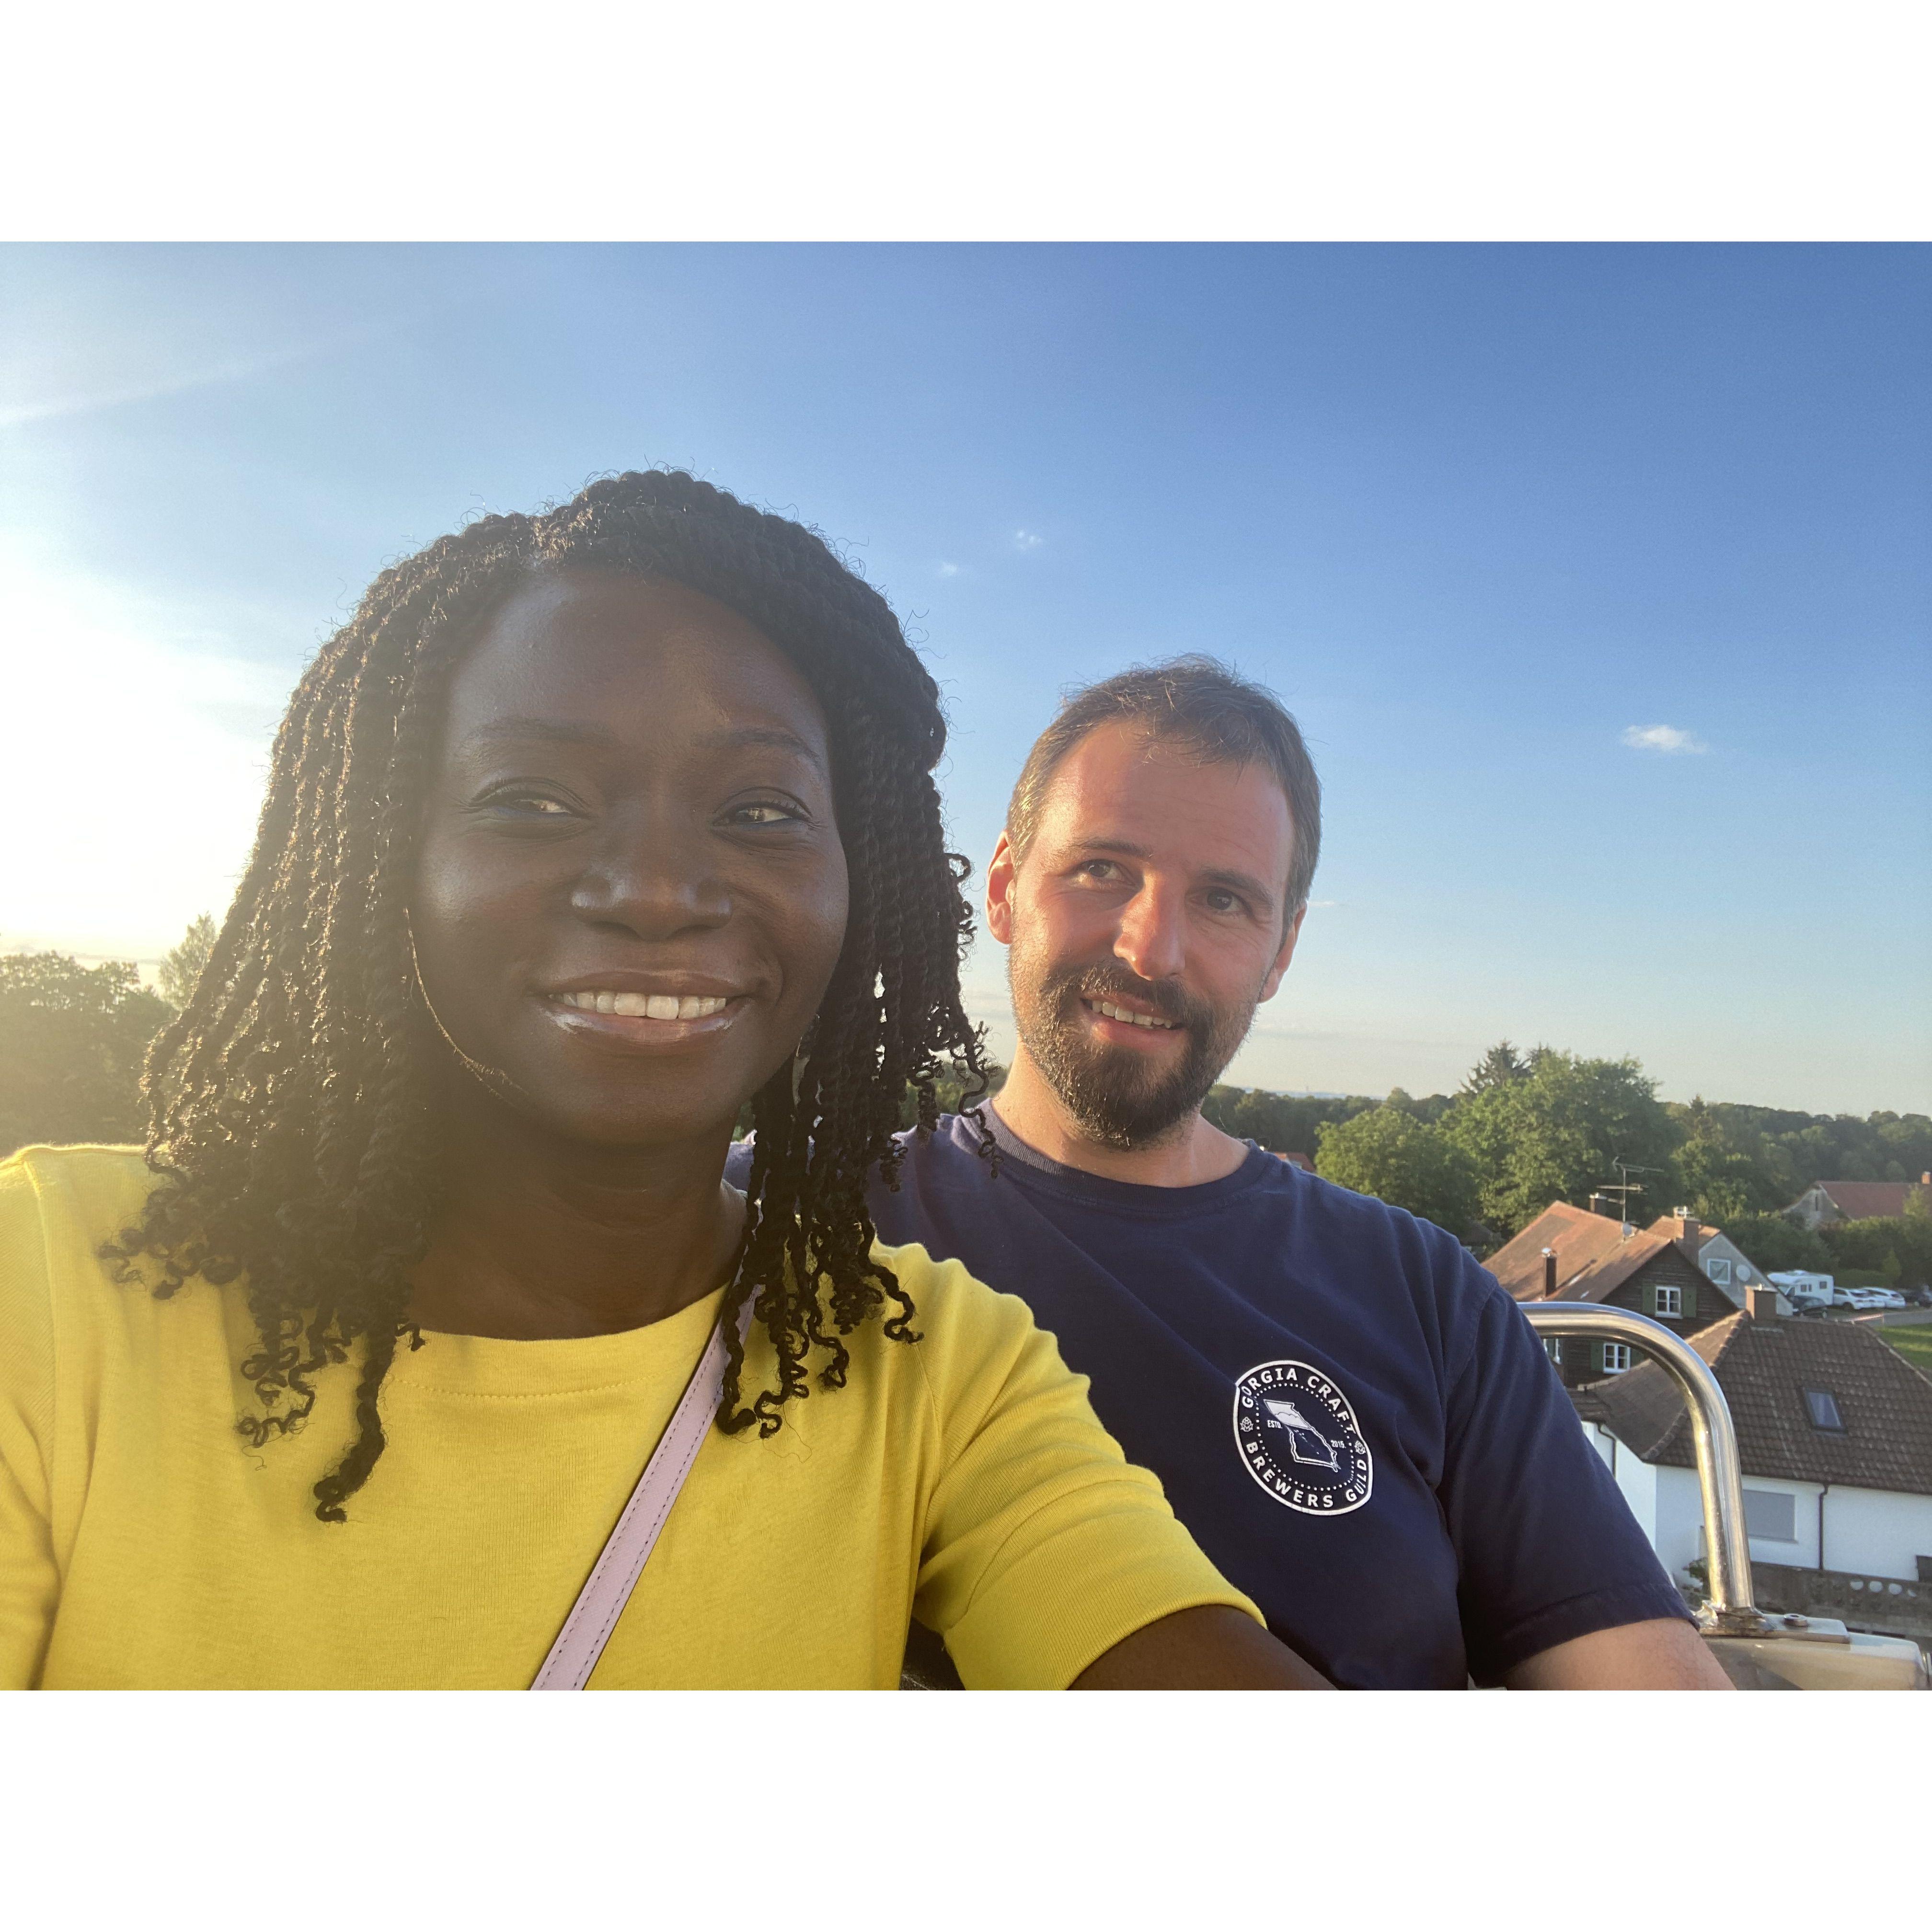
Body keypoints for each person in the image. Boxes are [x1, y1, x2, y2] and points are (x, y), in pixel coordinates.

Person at [0, 475, 1327, 1690]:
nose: (651, 890)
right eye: (534, 798)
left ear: (859, 889)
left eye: (759, 813)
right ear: (383, 854)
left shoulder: (931, 1371)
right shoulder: (55, 1290)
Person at [738, 657, 1731, 1689]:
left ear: (1281, 951)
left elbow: (1638, 1678)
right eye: (1102, 870)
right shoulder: (775, 1223)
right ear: (1003, 889)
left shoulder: (1422, 1291)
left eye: (1221, 899)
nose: (1151, 947)